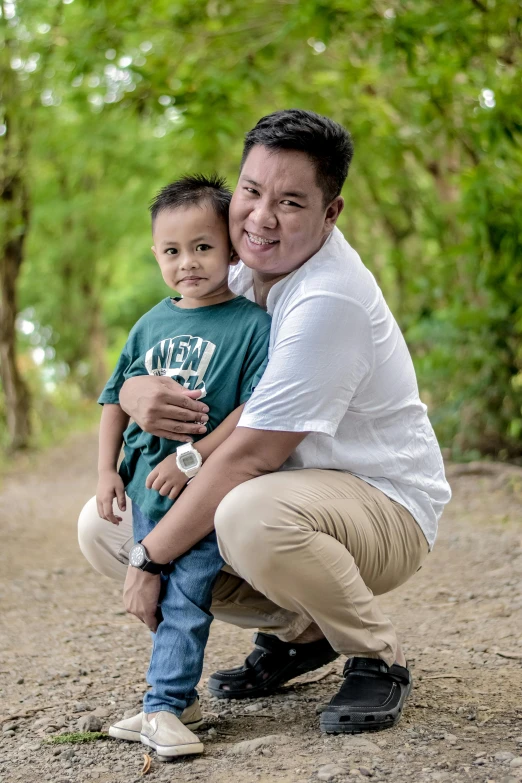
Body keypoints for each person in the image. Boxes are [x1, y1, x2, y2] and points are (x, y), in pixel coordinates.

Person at [79, 109, 451, 737]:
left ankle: (376, 657)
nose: (261, 217)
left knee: (243, 512)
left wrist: (149, 560)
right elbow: (159, 339)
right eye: (251, 191)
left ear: (330, 213)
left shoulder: (326, 297)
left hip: (383, 508)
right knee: (102, 526)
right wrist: (138, 389)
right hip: (286, 496)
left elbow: (249, 455)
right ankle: (303, 632)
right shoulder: (237, 263)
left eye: (290, 201)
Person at [94, 174, 271, 758]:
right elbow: (114, 399)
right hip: (146, 491)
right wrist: (105, 471)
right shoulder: (149, 324)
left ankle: (164, 706)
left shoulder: (250, 325)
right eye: (172, 251)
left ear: (229, 245)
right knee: (164, 593)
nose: (187, 263)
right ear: (156, 255)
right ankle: (172, 699)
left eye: (202, 247)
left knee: (187, 594)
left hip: (203, 493)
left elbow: (252, 410)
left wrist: (191, 462)